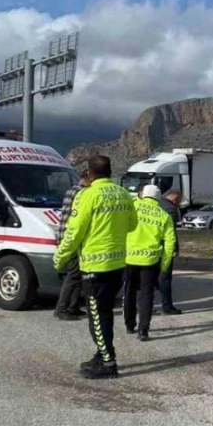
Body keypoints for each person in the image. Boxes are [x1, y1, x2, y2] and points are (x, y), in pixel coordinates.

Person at [54, 155, 137, 379]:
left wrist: (60, 257)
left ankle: (108, 363)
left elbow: (74, 232)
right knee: (105, 313)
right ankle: (102, 354)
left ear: (90, 174)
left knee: (97, 317)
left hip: (94, 266)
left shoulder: (87, 196)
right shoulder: (123, 194)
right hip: (117, 264)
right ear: (110, 172)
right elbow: (132, 225)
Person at [122, 184, 177, 341]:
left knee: (129, 292)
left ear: (142, 195)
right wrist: (164, 265)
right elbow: (169, 243)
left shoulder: (132, 207)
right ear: (159, 198)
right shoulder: (163, 215)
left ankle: (129, 324)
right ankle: (143, 330)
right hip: (150, 261)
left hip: (128, 258)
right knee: (147, 295)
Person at [53, 169, 91, 320]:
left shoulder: (72, 191)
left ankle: (73, 306)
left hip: (66, 236)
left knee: (78, 274)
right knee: (73, 275)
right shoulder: (81, 194)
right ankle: (62, 308)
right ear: (87, 179)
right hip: (72, 238)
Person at [157, 187, 183, 314]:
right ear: (175, 197)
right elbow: (171, 232)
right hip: (165, 248)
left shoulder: (156, 203)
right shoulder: (170, 209)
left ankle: (145, 307)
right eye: (180, 200)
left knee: (149, 280)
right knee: (165, 278)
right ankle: (167, 306)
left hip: (149, 247)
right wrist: (175, 248)